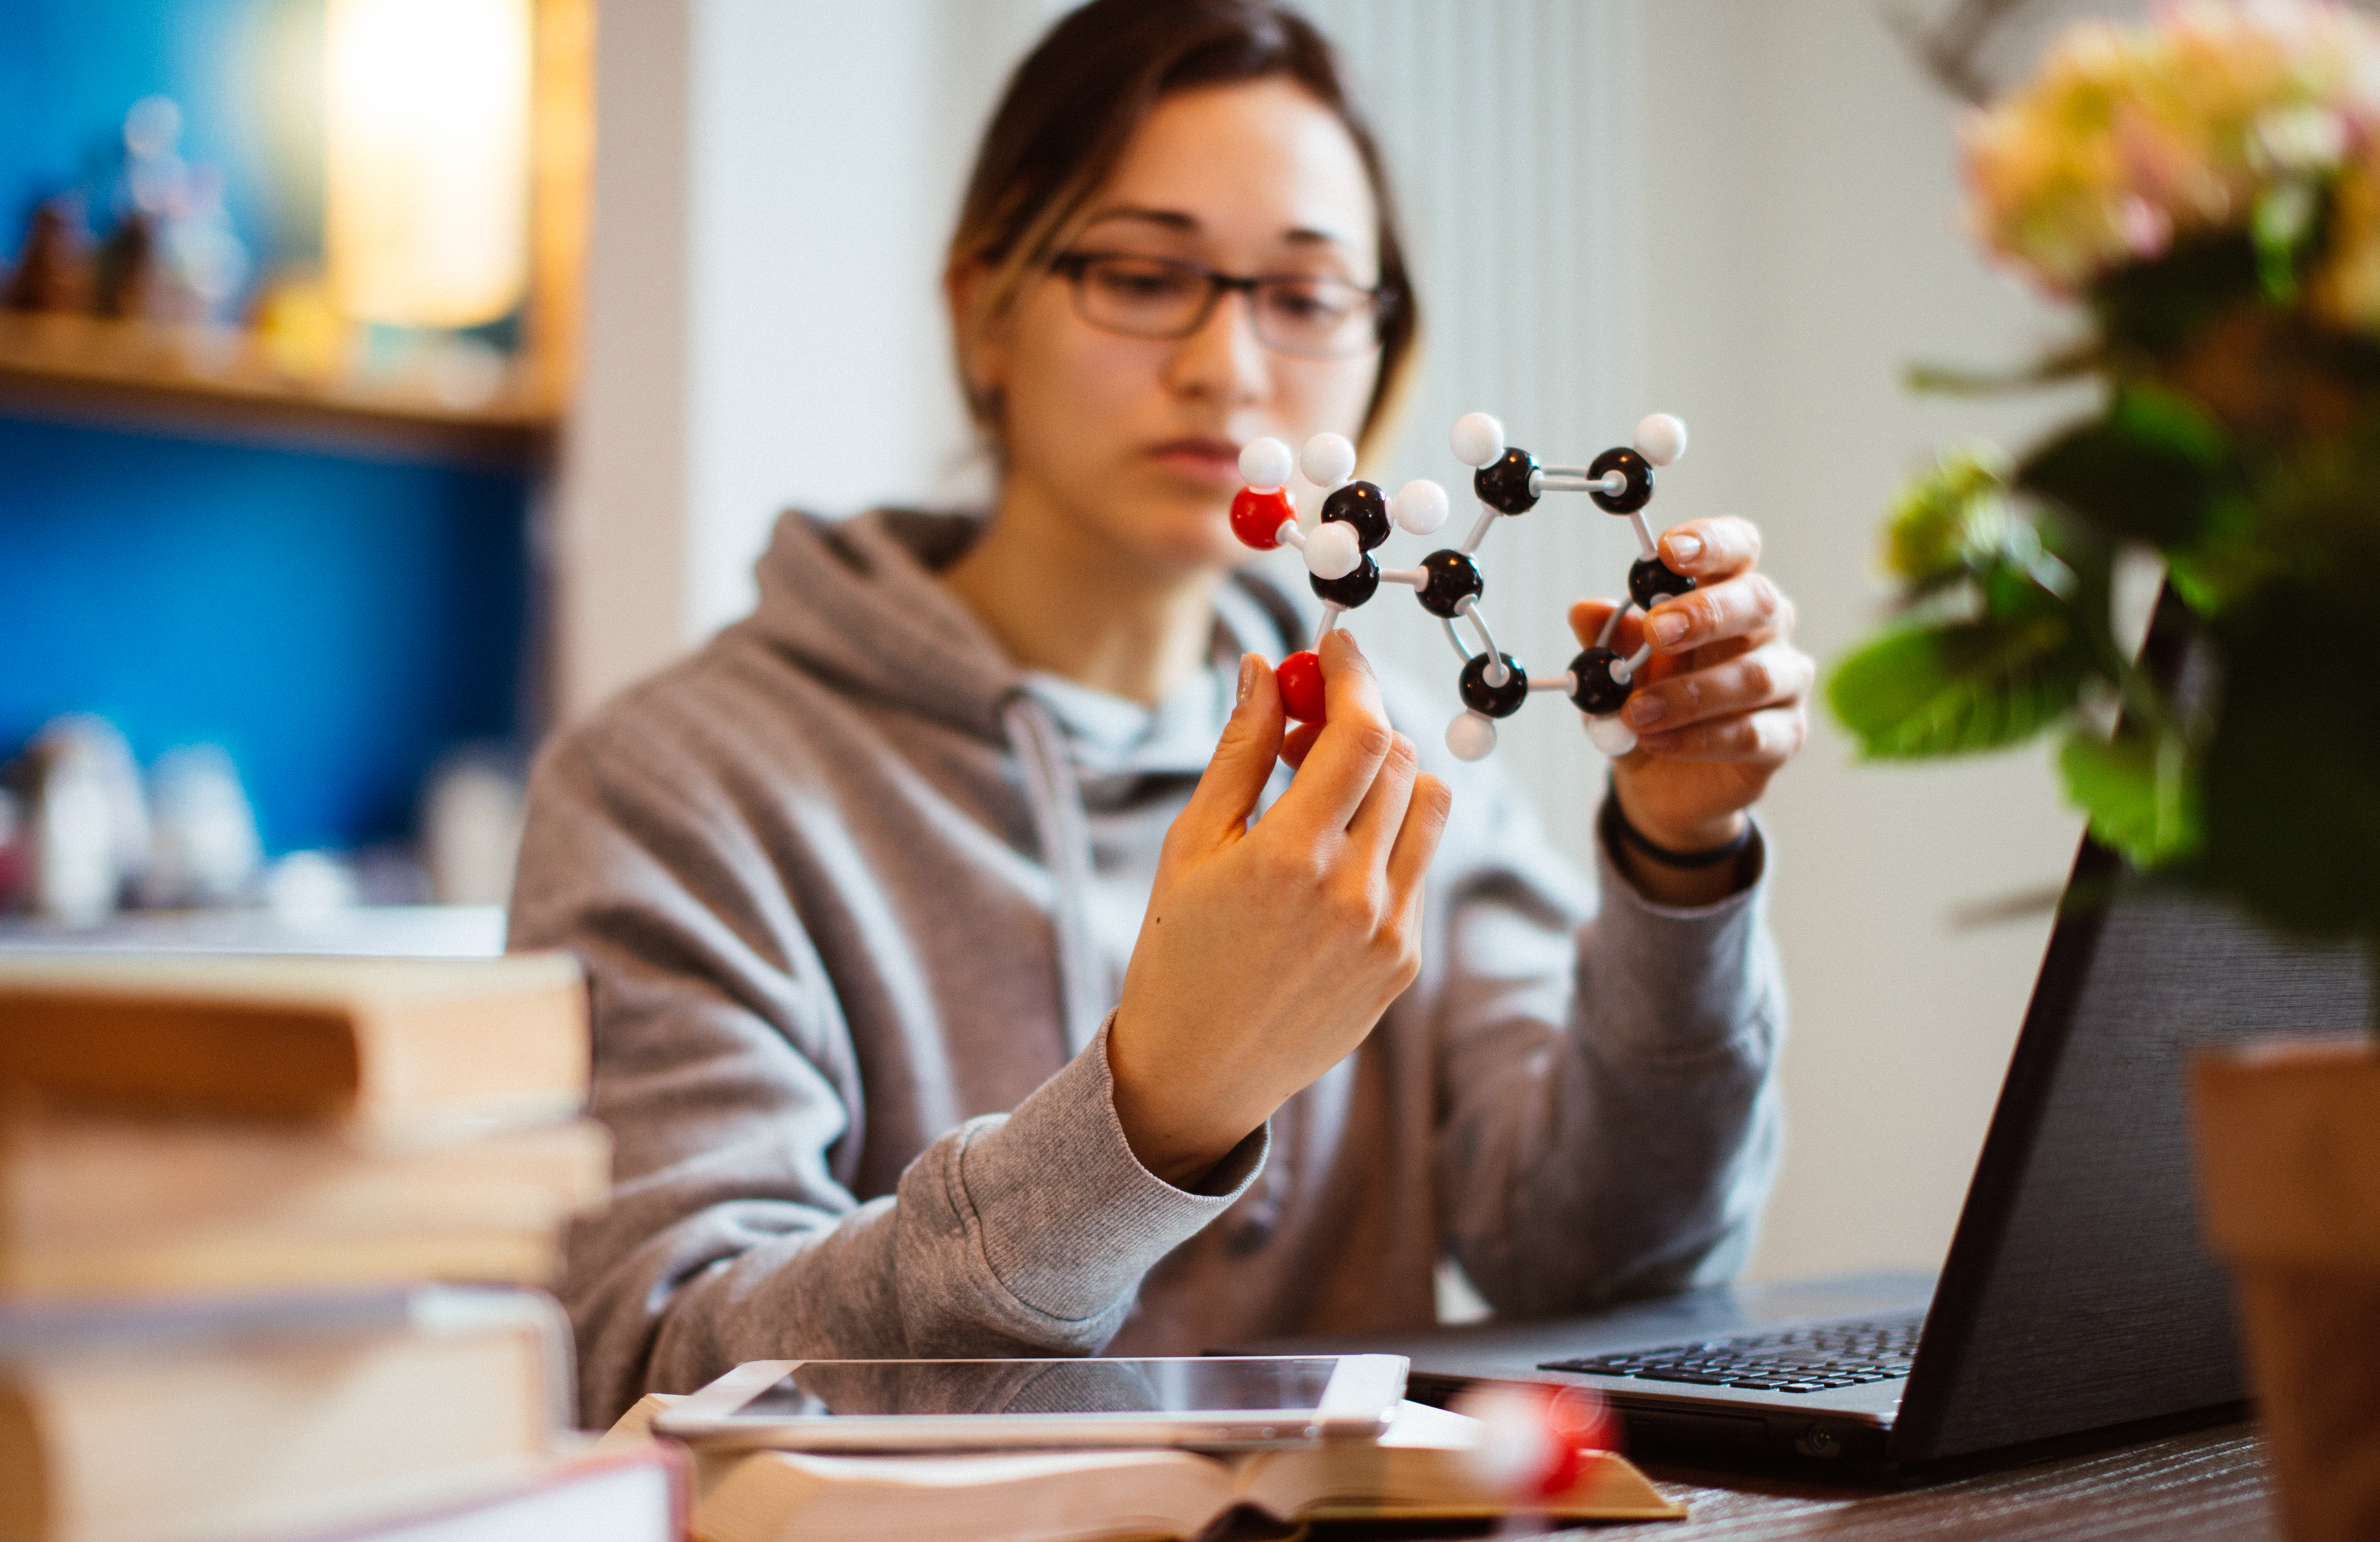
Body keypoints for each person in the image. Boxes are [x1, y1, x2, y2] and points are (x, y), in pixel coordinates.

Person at [512, 0, 1808, 1428]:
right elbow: (658, 1372)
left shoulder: (1394, 765)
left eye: (1306, 298)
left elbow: (1614, 1260)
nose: (1227, 368)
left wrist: (1683, 862)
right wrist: (1153, 1109)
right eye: (1140, 274)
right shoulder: (675, 789)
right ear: (981, 308)